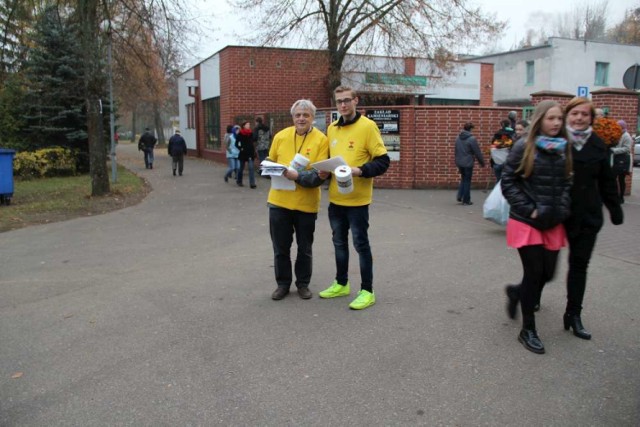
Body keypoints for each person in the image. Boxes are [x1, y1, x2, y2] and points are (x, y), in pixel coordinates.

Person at [501, 100, 572, 354]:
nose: (556, 123)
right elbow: (508, 182)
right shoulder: (524, 146)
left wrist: (562, 208)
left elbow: (567, 184)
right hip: (527, 221)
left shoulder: (564, 149)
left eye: (559, 119)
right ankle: (527, 330)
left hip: (553, 221)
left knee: (548, 274)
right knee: (534, 273)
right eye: (551, 118)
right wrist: (529, 209)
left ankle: (516, 292)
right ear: (540, 120)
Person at [316, 86, 390, 310]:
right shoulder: (332, 128)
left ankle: (367, 291)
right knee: (339, 243)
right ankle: (341, 283)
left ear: (356, 101)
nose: (343, 105)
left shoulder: (368, 126)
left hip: (358, 201)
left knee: (360, 244)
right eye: (339, 101)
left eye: (347, 100)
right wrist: (324, 171)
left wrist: (360, 170)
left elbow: (383, 161)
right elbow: (331, 160)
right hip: (336, 199)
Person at [563, 97, 623, 340]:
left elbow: (607, 181)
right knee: (544, 267)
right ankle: (528, 296)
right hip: (557, 215)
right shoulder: (556, 141)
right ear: (567, 115)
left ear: (591, 118)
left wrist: (615, 208)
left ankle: (573, 314)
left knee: (579, 266)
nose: (579, 118)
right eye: (575, 113)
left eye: (584, 114)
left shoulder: (599, 145)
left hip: (587, 216)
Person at [267, 100, 329, 301]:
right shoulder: (280, 136)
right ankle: (282, 284)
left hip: (306, 205)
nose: (301, 118)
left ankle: (303, 284)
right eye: (298, 115)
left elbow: (317, 178)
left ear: (312, 118)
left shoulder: (321, 140)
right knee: (280, 248)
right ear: (292, 117)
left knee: (305, 248)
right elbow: (270, 162)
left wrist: (296, 177)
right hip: (279, 202)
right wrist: (269, 169)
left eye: (306, 115)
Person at [455, 122, 485, 205]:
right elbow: (477, 152)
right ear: (471, 129)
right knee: (467, 180)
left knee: (463, 179)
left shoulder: (457, 137)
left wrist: (457, 161)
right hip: (468, 162)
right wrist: (482, 162)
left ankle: (460, 196)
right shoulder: (472, 139)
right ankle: (466, 200)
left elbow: (456, 150)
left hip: (459, 161)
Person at [610, 120, 633, 203]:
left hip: (623, 160)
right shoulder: (617, 134)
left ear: (622, 127)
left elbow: (627, 148)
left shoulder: (626, 136)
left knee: (621, 179)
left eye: (618, 126)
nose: (617, 127)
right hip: (616, 159)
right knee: (613, 178)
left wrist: (614, 150)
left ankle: (621, 197)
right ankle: (616, 196)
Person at [236, 121, 256, 188]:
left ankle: (252, 183)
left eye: (249, 124)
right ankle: (239, 181)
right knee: (241, 168)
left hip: (250, 153)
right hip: (243, 153)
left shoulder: (251, 133)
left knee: (251, 168)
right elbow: (236, 143)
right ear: (244, 126)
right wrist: (240, 148)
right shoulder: (240, 133)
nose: (248, 126)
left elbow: (253, 141)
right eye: (247, 124)